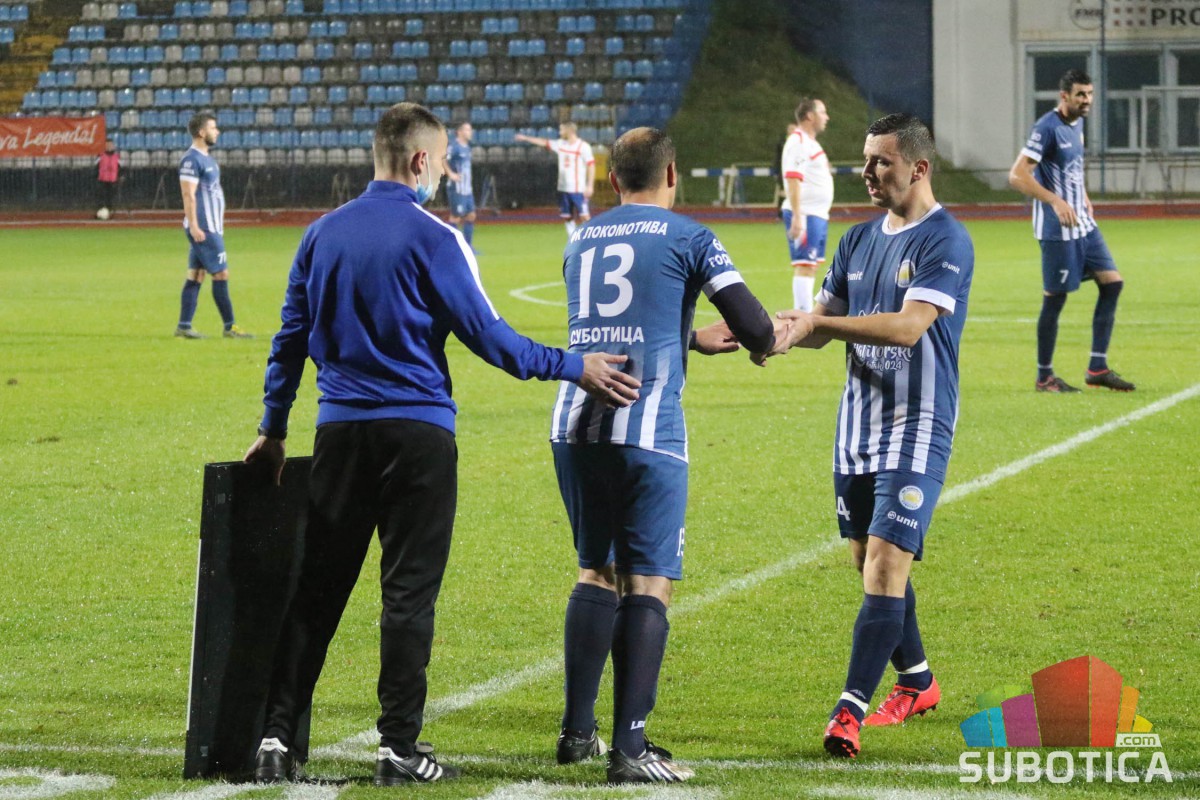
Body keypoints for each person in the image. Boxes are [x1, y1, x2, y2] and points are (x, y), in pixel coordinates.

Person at [242, 102, 640, 787]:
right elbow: (493, 340)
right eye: (443, 162)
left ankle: (276, 740)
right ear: (422, 160)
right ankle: (398, 746)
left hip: (339, 434)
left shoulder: (320, 235)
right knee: (407, 596)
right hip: (418, 436)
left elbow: (289, 340)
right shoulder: (436, 237)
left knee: (316, 591)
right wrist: (576, 365)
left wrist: (273, 430)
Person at [549, 127, 797, 783]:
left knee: (594, 570)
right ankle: (629, 749)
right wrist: (772, 338)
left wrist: (687, 335)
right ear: (672, 174)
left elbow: (614, 322)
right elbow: (755, 326)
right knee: (649, 579)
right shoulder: (692, 236)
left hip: (575, 422)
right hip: (647, 427)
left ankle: (577, 732)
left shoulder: (581, 241)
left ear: (612, 180)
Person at [772, 114, 974, 759]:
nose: (866, 172)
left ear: (919, 168)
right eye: (865, 160)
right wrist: (770, 331)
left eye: (882, 161)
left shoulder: (946, 239)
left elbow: (909, 327)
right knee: (867, 562)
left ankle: (849, 711)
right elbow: (820, 320)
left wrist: (817, 326)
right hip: (857, 424)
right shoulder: (856, 240)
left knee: (886, 563)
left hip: (919, 422)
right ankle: (918, 681)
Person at [1008, 68, 1135, 393]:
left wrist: (1084, 197)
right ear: (1064, 96)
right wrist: (1055, 201)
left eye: (1089, 94)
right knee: (1055, 299)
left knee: (1113, 283)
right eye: (1080, 94)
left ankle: (1097, 368)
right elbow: (1017, 175)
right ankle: (1044, 377)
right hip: (1058, 229)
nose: (1087, 100)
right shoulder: (1047, 127)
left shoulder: (1078, 124)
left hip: (1084, 224)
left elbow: (1072, 169)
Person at [175, 112, 252, 339]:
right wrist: (194, 226)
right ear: (201, 132)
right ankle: (230, 327)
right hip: (204, 228)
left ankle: (184, 326)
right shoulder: (191, 160)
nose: (217, 131)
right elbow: (188, 195)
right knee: (221, 274)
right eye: (212, 128)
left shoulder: (207, 159)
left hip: (211, 227)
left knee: (196, 274)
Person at [780, 98, 834, 311]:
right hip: (805, 213)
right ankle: (801, 316)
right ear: (810, 116)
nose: (827, 117)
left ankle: (804, 314)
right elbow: (793, 178)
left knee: (811, 266)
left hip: (816, 213)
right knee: (805, 265)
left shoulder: (809, 142)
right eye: (823, 112)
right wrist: (796, 215)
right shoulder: (799, 142)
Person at [515, 122, 595, 238]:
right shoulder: (560, 144)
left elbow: (591, 165)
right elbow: (544, 142)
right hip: (563, 188)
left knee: (584, 216)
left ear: (569, 131)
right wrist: (526, 138)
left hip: (578, 189)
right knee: (567, 217)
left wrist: (590, 185)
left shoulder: (583, 146)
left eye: (562, 130)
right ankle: (573, 240)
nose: (560, 132)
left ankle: (592, 239)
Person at [442, 121, 477, 250]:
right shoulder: (454, 147)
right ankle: (453, 246)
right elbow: (442, 159)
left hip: (467, 189)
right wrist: (451, 174)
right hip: (457, 188)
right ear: (459, 132)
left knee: (471, 215)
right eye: (467, 130)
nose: (470, 132)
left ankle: (468, 247)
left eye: (470, 130)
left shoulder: (467, 147)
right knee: (455, 217)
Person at [96, 139, 119, 216]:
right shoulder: (101, 155)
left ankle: (110, 210)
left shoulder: (117, 156)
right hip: (102, 179)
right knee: (102, 196)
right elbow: (96, 166)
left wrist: (120, 176)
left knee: (111, 196)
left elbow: (121, 167)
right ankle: (101, 210)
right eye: (107, 145)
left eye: (110, 145)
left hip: (113, 179)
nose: (109, 146)